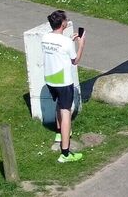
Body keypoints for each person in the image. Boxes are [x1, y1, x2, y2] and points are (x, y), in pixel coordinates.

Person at [42, 10, 86, 163]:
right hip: (63, 82)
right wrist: (81, 44)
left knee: (58, 105)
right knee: (66, 111)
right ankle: (65, 153)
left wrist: (69, 40)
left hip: (50, 79)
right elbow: (75, 60)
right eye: (66, 20)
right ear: (62, 24)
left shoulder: (45, 37)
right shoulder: (67, 42)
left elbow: (58, 46)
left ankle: (59, 133)